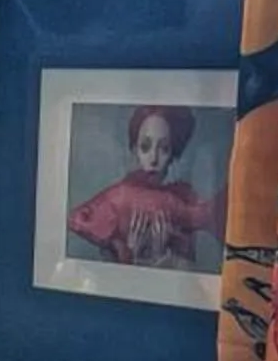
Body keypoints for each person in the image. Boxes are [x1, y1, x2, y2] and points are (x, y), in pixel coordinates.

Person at [68, 106, 222, 267]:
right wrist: (132, 257)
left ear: (173, 154)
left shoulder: (182, 202)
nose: (153, 159)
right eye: (145, 146)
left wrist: (161, 258)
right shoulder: (119, 195)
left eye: (164, 148)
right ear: (134, 149)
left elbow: (186, 281)